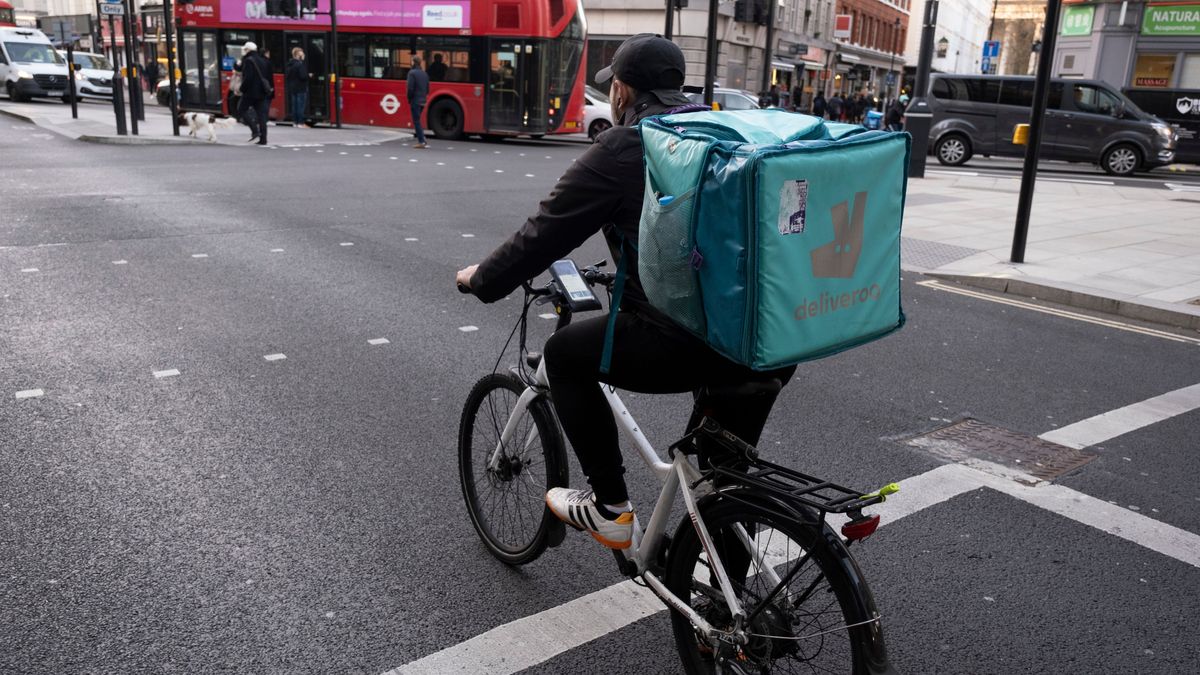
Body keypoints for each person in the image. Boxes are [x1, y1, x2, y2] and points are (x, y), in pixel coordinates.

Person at [454, 34, 796, 551]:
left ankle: (610, 508)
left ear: (621, 90)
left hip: (687, 342)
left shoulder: (627, 148)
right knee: (722, 481)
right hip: (764, 338)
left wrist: (482, 279)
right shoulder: (724, 132)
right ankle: (730, 617)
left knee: (564, 355)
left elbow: (543, 234)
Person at [236, 42, 272, 145]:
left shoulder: (248, 61)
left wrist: (242, 89)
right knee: (262, 116)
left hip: (250, 92)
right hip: (262, 92)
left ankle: (254, 130)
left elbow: (248, 78)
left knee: (241, 110)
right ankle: (263, 139)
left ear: (247, 50)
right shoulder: (262, 60)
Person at [407, 56, 429, 148]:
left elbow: (410, 88)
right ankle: (422, 138)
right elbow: (427, 89)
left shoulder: (412, 73)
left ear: (413, 62)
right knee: (418, 120)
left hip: (415, 100)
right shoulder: (425, 74)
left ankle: (421, 141)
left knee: (416, 121)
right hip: (423, 100)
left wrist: (409, 98)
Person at [285, 47, 310, 128]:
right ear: (298, 55)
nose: (303, 54)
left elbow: (288, 76)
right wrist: (308, 75)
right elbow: (303, 76)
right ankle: (300, 122)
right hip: (301, 87)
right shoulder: (300, 64)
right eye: (302, 53)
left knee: (294, 105)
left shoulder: (290, 64)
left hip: (292, 87)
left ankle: (295, 122)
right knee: (301, 105)